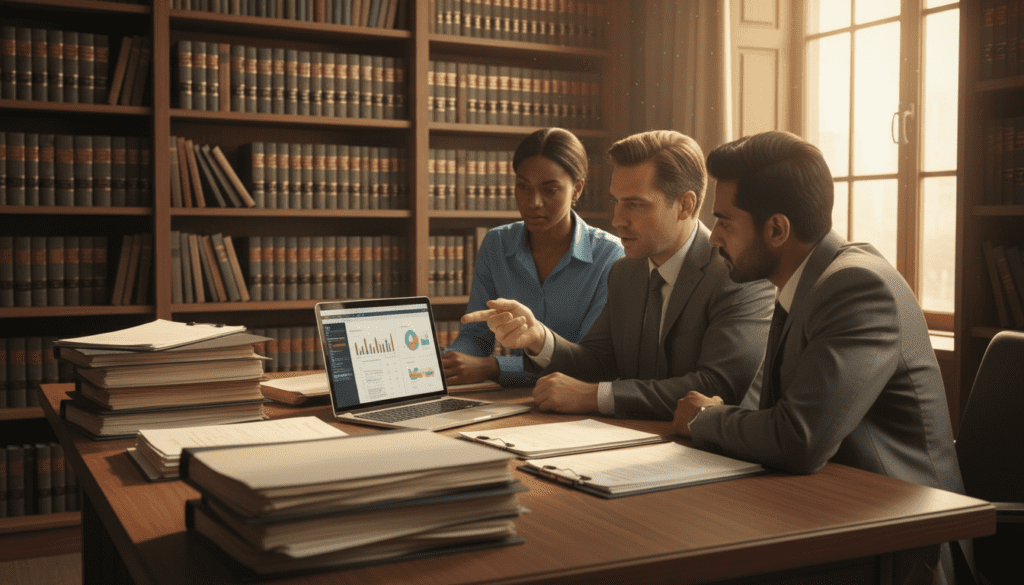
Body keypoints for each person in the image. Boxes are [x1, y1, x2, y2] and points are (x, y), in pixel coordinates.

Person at [675, 130, 963, 584]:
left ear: (776, 229)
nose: (714, 239)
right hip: (833, 515)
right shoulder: (801, 283)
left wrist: (704, 419)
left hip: (905, 549)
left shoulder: (855, 287)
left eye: (725, 222)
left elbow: (798, 439)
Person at [464, 130, 774, 419]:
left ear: (685, 205)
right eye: (616, 202)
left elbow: (718, 387)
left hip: (716, 455)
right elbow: (599, 361)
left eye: (635, 205)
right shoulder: (625, 271)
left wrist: (594, 397)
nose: (617, 220)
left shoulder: (739, 275)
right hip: (636, 439)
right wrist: (539, 337)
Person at [441, 127, 624, 387]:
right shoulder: (496, 244)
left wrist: (495, 367)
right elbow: (476, 336)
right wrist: (451, 362)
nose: (533, 202)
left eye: (550, 190)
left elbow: (588, 362)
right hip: (512, 400)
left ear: (577, 189)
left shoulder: (610, 256)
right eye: (523, 187)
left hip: (575, 402)